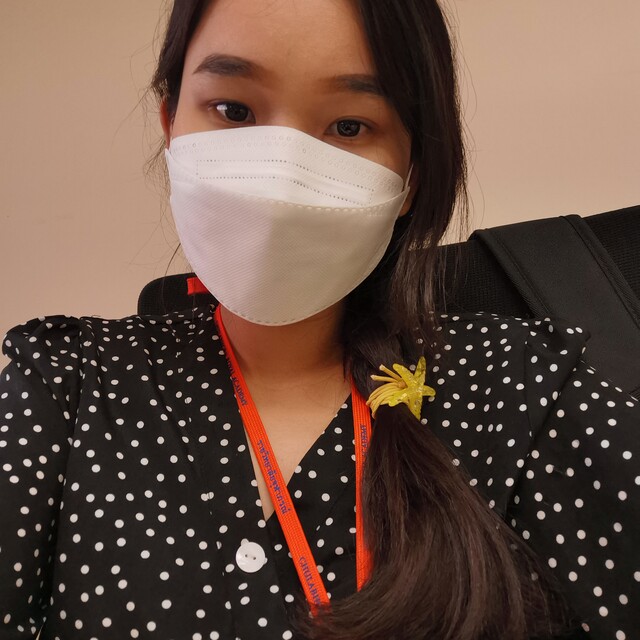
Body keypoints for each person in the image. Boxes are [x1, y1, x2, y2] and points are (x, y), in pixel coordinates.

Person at [0, 0, 637, 638]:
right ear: (171, 125)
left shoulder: (521, 387)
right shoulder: (64, 385)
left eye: (349, 126)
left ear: (411, 174)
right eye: (234, 110)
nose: (281, 180)